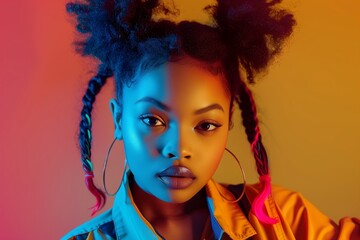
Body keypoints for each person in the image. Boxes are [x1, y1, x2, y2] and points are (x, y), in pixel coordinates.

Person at [62, 0, 360, 239]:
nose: (179, 149)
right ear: (118, 119)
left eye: (205, 125)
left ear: (228, 123)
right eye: (153, 121)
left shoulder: (286, 220)